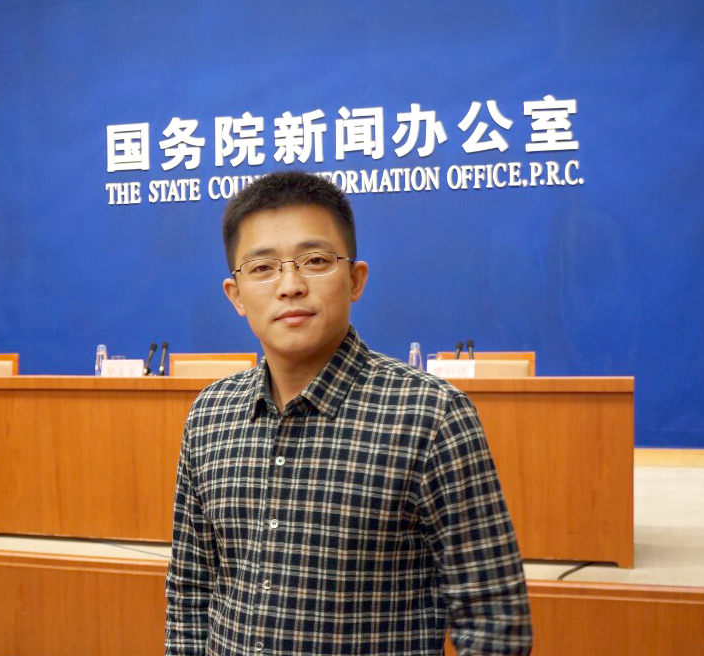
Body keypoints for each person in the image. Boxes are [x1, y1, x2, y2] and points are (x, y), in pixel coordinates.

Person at [166, 170, 532, 655]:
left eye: (315, 261)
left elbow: (495, 621)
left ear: (355, 280)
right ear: (236, 295)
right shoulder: (209, 416)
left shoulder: (432, 416)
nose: (290, 285)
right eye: (263, 267)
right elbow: (190, 593)